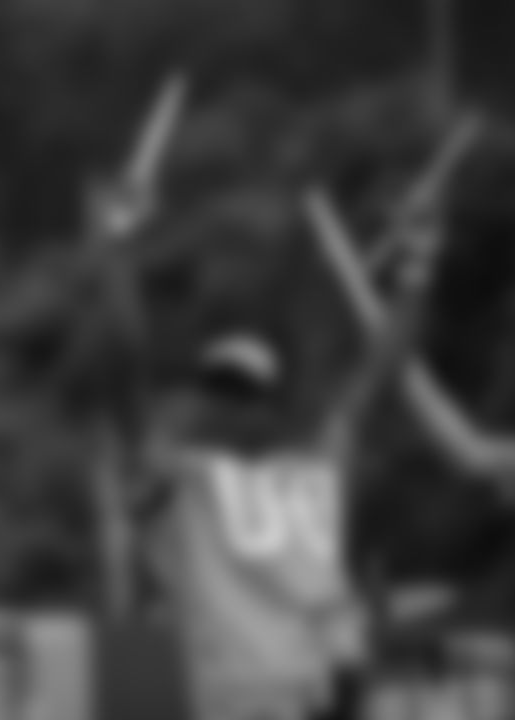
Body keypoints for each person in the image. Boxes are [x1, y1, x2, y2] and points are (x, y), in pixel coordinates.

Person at [132, 200, 447, 720]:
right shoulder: (312, 463)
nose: (232, 408)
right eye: (227, 394)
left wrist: (118, 248)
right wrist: (417, 269)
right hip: (319, 684)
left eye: (237, 394)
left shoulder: (187, 476)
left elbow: (380, 369)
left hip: (275, 691)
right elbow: (380, 370)